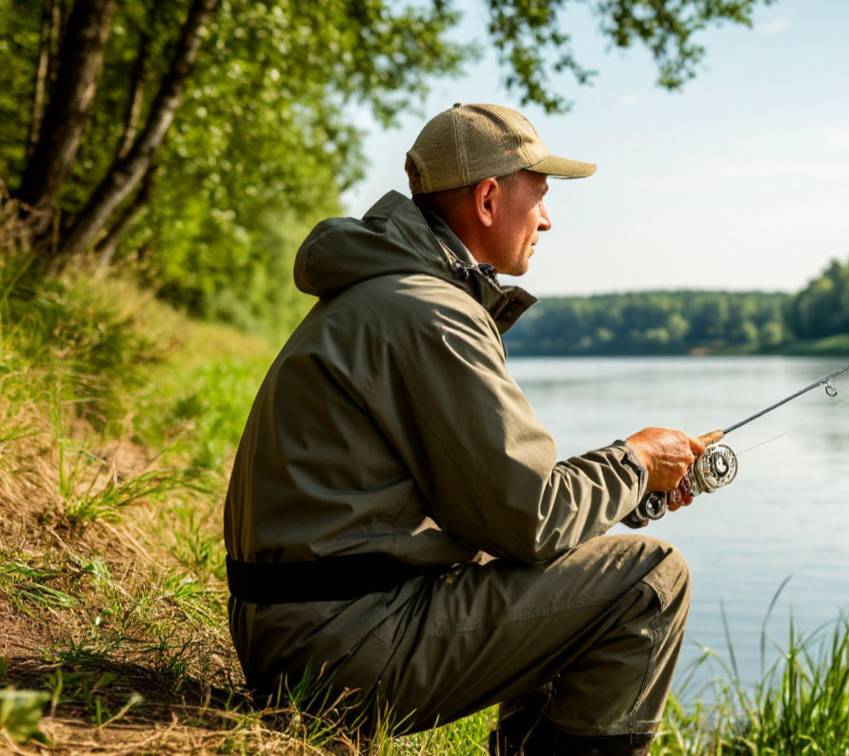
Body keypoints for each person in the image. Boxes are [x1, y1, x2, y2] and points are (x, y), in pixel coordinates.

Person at [224, 103, 718, 755]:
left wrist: (627, 490)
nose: (547, 218)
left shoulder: (388, 294)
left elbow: (496, 512)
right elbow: (532, 518)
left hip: (300, 628)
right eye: (538, 195)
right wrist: (634, 462)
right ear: (489, 199)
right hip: (333, 650)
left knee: (577, 563)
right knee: (650, 580)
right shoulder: (427, 312)